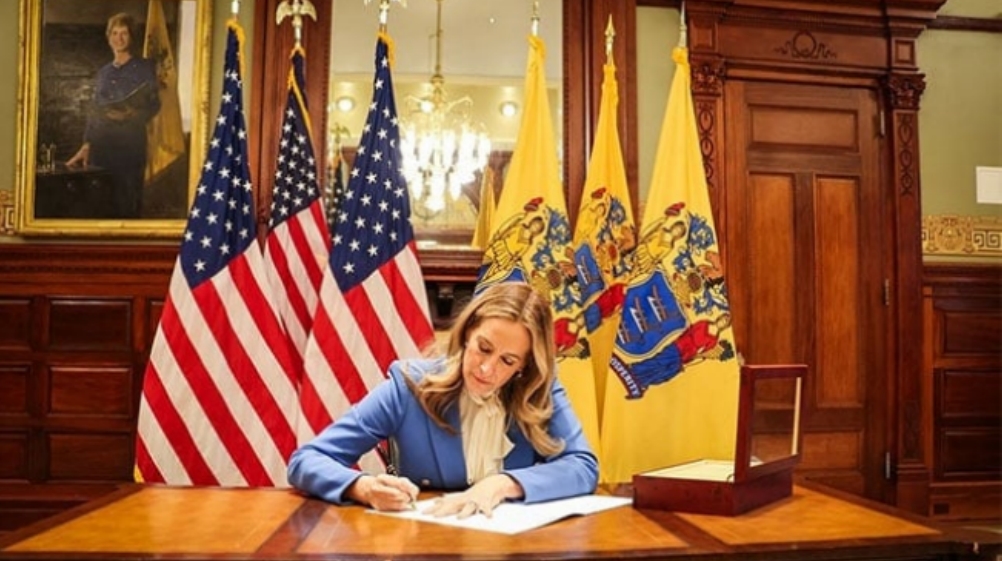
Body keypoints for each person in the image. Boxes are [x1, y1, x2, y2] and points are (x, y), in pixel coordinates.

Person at [287, 282, 598, 518]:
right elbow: (306, 460)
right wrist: (365, 488)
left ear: (524, 366)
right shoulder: (408, 388)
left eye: (507, 361)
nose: (486, 369)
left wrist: (503, 484)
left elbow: (583, 466)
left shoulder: (539, 390)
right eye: (484, 348)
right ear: (467, 333)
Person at [66, 12, 160, 219]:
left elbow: (155, 105)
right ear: (109, 38)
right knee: (100, 204)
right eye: (115, 33)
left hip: (130, 146)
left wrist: (133, 114)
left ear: (131, 37)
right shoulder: (103, 73)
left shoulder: (145, 68)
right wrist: (86, 144)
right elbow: (94, 111)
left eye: (124, 33)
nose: (119, 38)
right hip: (101, 147)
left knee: (127, 205)